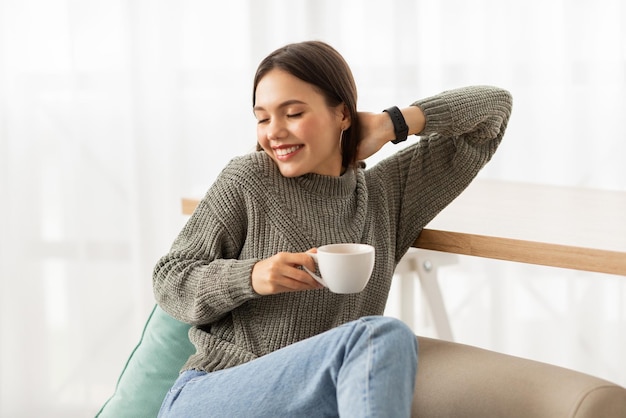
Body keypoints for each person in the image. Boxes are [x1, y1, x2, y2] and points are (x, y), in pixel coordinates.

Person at [153, 40, 512, 417]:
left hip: (309, 404)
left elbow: (493, 112)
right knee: (379, 335)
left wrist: (393, 123)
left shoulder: (386, 195)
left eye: (292, 113)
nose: (273, 132)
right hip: (214, 395)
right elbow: (169, 279)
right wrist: (253, 275)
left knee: (380, 342)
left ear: (343, 114)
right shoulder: (249, 179)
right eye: (262, 118)